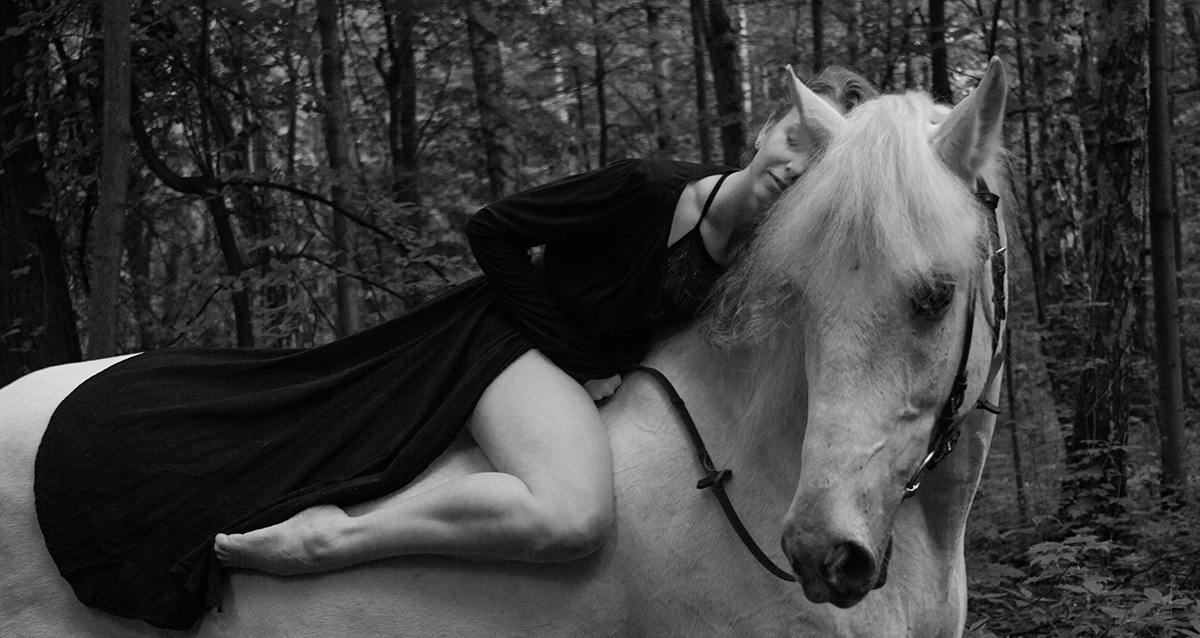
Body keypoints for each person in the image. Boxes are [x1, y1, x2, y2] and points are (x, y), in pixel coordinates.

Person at [212, 65, 878, 576]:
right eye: (795, 138)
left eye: (819, 166)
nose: (796, 167)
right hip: (508, 338)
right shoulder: (647, 188)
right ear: (765, 130)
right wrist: (581, 364)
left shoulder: (761, 260)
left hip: (582, 370)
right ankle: (332, 539)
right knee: (573, 518)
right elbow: (492, 229)